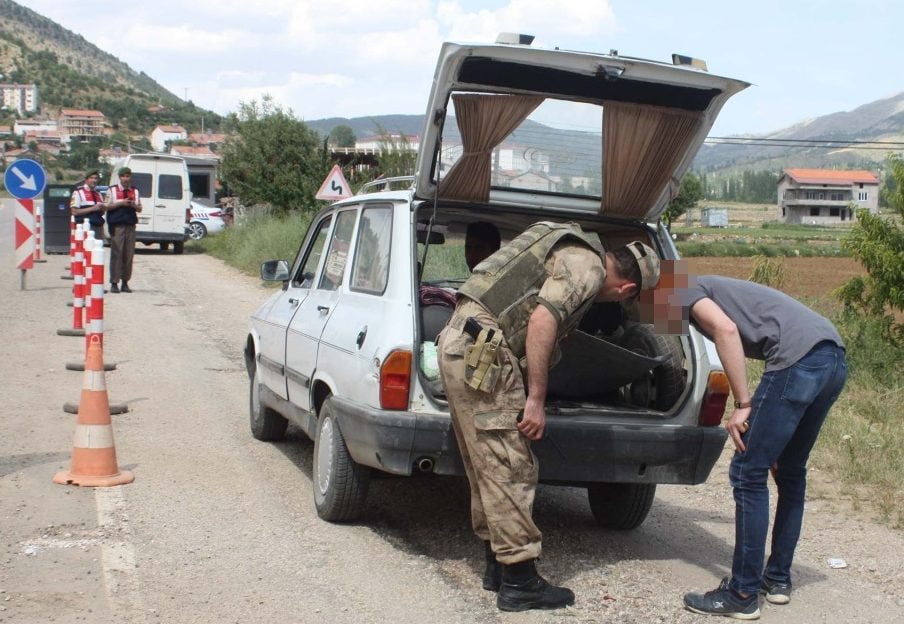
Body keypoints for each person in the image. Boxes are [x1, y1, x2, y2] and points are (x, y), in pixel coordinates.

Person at [436, 221, 660, 612]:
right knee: (511, 465)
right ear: (626, 290)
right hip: (485, 349)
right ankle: (520, 581)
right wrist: (536, 399)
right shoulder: (588, 268)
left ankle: (498, 567)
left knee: (486, 463)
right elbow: (542, 321)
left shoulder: (567, 240)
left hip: (461, 341)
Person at [647, 270, 848, 619]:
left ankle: (741, 594)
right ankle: (778, 580)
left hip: (797, 358)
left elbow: (724, 331)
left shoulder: (671, 287)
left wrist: (743, 404)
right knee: (789, 471)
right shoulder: (699, 283)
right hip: (832, 357)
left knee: (747, 472)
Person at [104, 167, 143, 293]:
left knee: (128, 255)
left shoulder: (135, 190)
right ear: (120, 177)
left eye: (128, 176)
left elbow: (140, 208)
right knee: (117, 254)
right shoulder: (112, 190)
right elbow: (106, 206)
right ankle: (114, 282)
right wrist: (120, 203)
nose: (126, 179)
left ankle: (125, 282)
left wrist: (133, 205)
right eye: (124, 176)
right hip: (117, 225)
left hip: (130, 225)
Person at [70, 170, 106, 242]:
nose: (94, 180)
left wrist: (102, 209)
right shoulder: (78, 192)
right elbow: (74, 212)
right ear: (86, 180)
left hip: (98, 227)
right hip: (85, 227)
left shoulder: (98, 194)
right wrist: (93, 208)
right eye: (91, 178)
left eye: (96, 178)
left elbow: (102, 212)